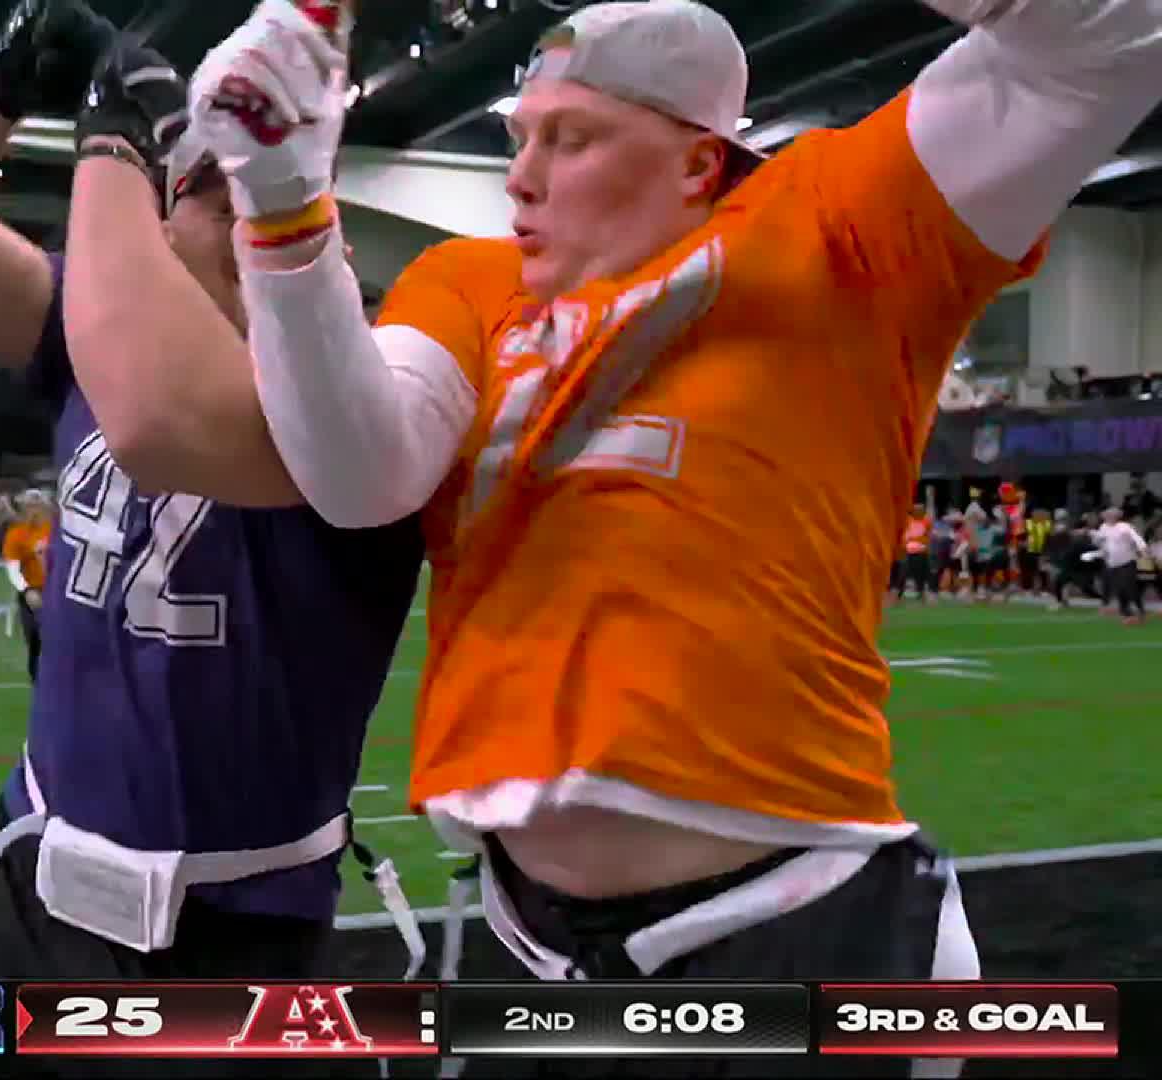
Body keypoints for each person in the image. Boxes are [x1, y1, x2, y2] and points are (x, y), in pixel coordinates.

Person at [184, 0, 1162, 997]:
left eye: (572, 140)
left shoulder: (836, 222)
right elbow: (359, 478)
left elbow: (1118, 36)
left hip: (804, 926)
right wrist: (283, 201)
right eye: (522, 137)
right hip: (540, 942)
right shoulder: (469, 281)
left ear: (698, 162)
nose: (521, 175)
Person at [0, 0, 424, 1011]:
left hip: (235, 926)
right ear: (159, 220)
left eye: (266, 189)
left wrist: (111, 141)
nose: (240, 215)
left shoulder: (369, 400)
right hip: (34, 873)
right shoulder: (98, 336)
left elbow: (166, 414)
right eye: (207, 189)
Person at [0, 491, 52, 681]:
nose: (33, 511)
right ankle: (38, 679)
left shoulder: (57, 530)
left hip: (58, 591)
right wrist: (27, 590)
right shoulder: (16, 534)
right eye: (28, 506)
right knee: (35, 638)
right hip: (34, 591)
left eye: (36, 506)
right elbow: (13, 568)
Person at [1097, 507, 1148, 626]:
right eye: (1107, 515)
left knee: (1129, 587)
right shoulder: (1103, 527)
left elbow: (1137, 538)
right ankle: (1126, 613)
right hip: (1112, 563)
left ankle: (1140, 609)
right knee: (1119, 589)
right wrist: (1103, 551)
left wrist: (1143, 550)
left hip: (1127, 562)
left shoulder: (1124, 527)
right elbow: (1102, 541)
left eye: (1111, 515)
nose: (1108, 517)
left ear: (1117, 516)